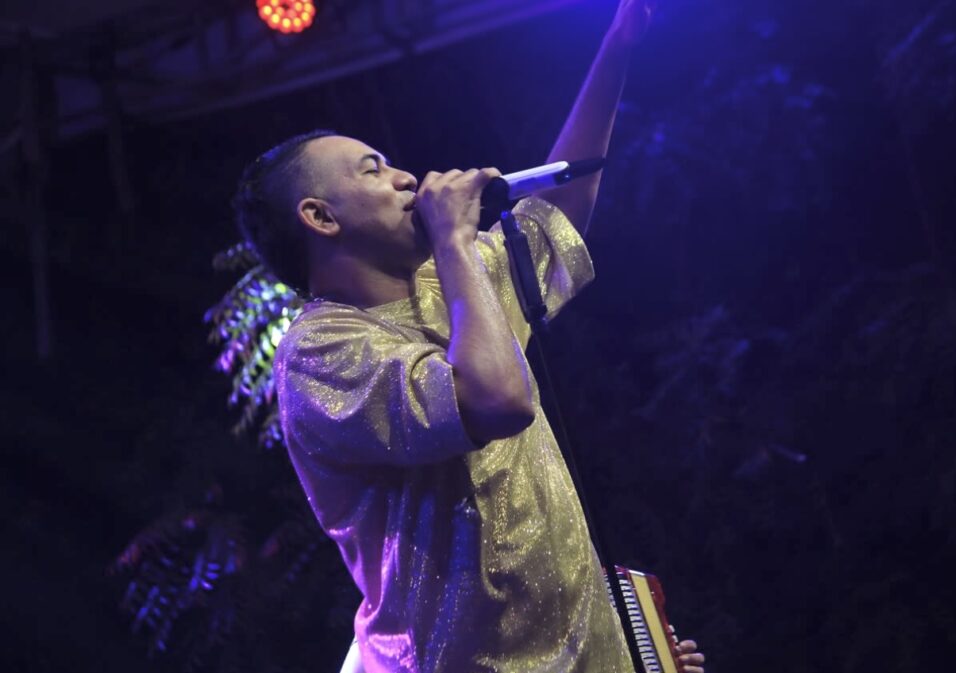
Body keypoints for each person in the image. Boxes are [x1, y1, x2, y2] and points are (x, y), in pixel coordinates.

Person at [234, 0, 705, 671]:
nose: (405, 177)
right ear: (321, 217)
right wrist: (455, 240)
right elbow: (497, 400)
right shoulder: (319, 353)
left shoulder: (450, 283)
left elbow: (556, 215)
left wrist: (619, 42)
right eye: (372, 169)